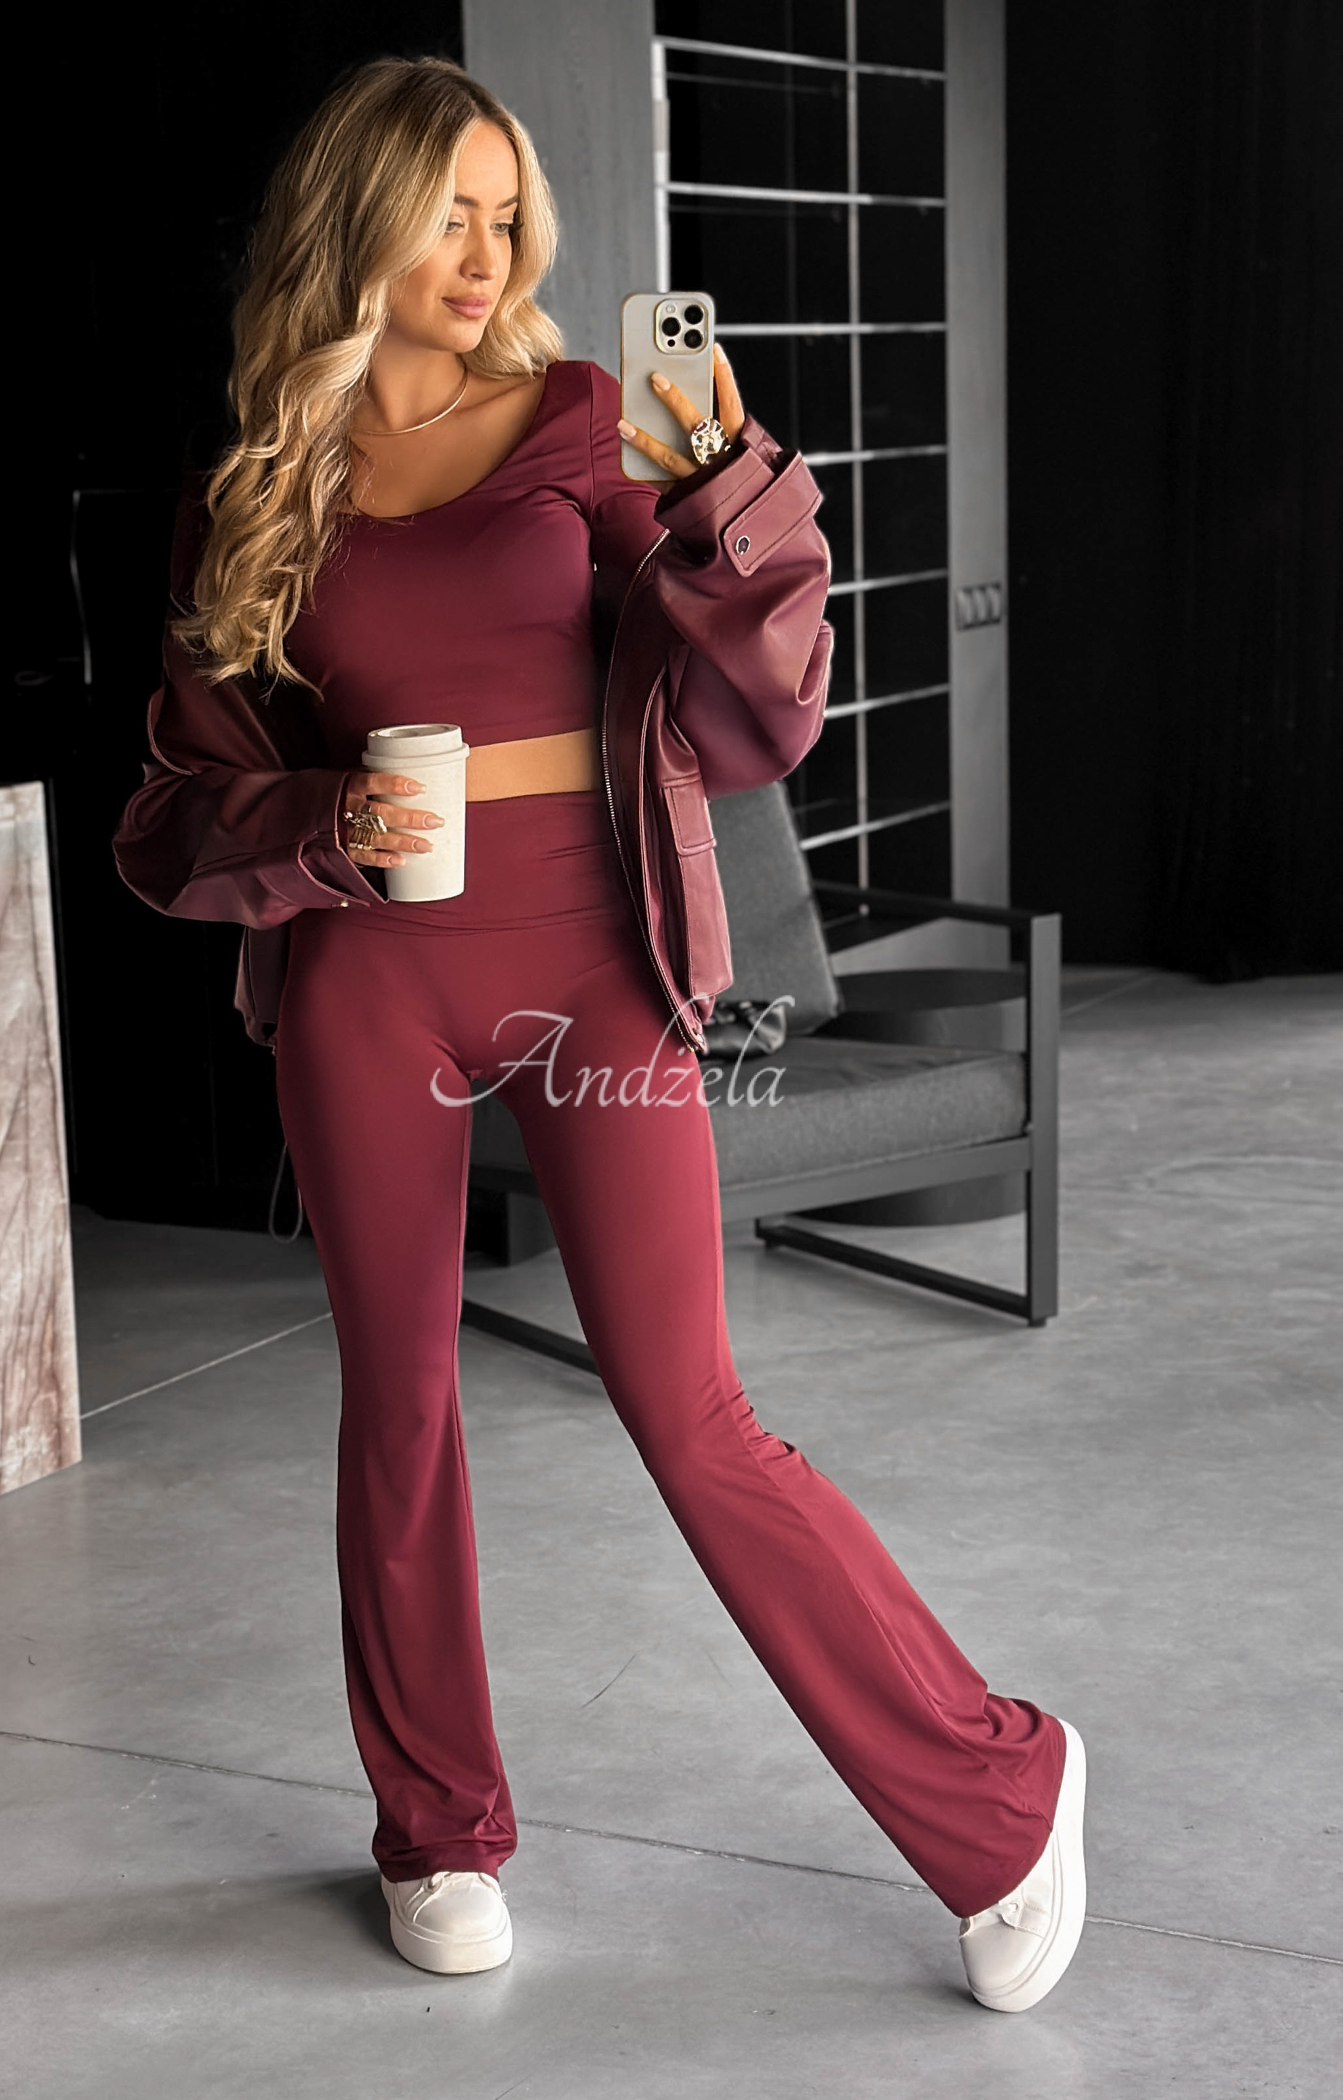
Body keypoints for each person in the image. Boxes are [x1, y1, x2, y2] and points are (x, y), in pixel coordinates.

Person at [113, 55, 1086, 2011]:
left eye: (507, 218)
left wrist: (727, 490)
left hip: (589, 961)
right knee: (397, 1407)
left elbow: (755, 712)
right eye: (447, 214)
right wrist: (322, 819)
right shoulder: (267, 488)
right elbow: (171, 818)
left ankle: (1001, 1784)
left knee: (690, 1408)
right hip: (371, 977)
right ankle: (435, 1826)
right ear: (357, 224)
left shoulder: (575, 421)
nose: (485, 255)